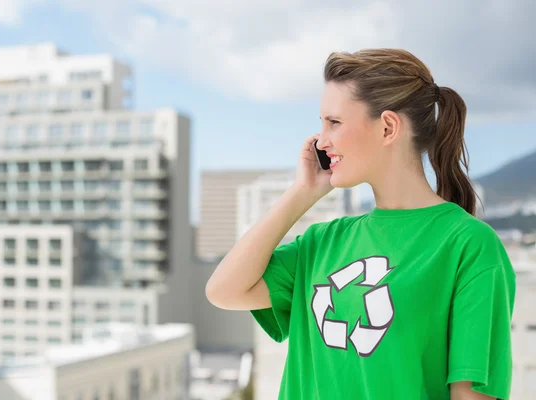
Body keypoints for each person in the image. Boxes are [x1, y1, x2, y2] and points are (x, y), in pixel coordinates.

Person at [205, 48, 516, 400]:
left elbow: (471, 395)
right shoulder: (322, 241)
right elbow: (224, 290)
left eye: (333, 122)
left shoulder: (468, 245)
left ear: (387, 127)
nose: (320, 140)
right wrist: (302, 192)